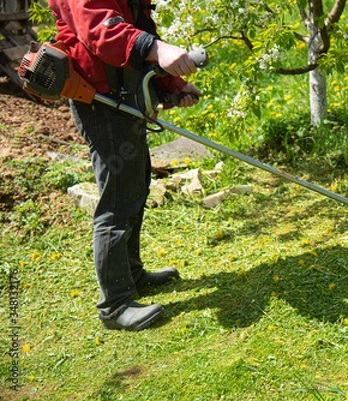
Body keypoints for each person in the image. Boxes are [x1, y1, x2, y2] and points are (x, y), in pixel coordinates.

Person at [48, 0, 202, 331]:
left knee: (136, 184)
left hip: (124, 96)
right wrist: (158, 48)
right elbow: (102, 32)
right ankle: (115, 304)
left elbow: (138, 28)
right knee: (117, 199)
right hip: (101, 102)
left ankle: (132, 275)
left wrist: (169, 86)